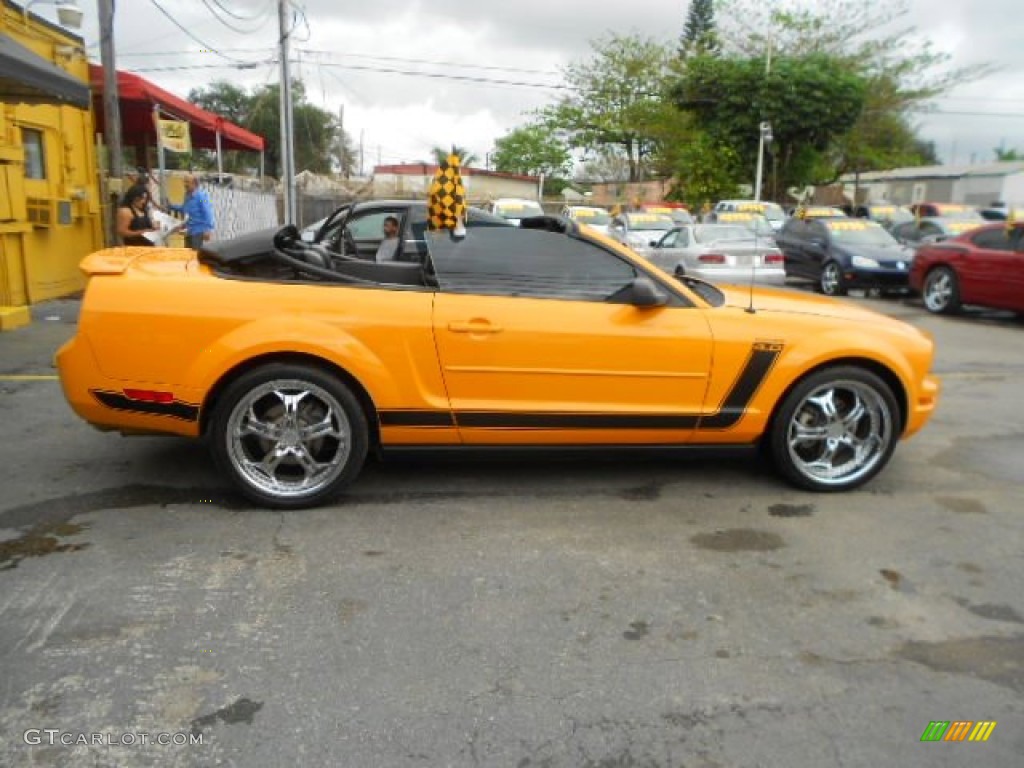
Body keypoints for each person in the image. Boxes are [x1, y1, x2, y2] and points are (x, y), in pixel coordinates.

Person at [169, 174, 215, 249]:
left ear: (194, 183)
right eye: (184, 182)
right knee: (187, 253)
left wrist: (208, 230)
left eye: (187, 182)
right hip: (188, 230)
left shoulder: (201, 196)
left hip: (198, 231)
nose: (185, 184)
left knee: (195, 254)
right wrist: (171, 206)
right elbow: (184, 208)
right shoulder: (187, 195)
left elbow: (208, 213)